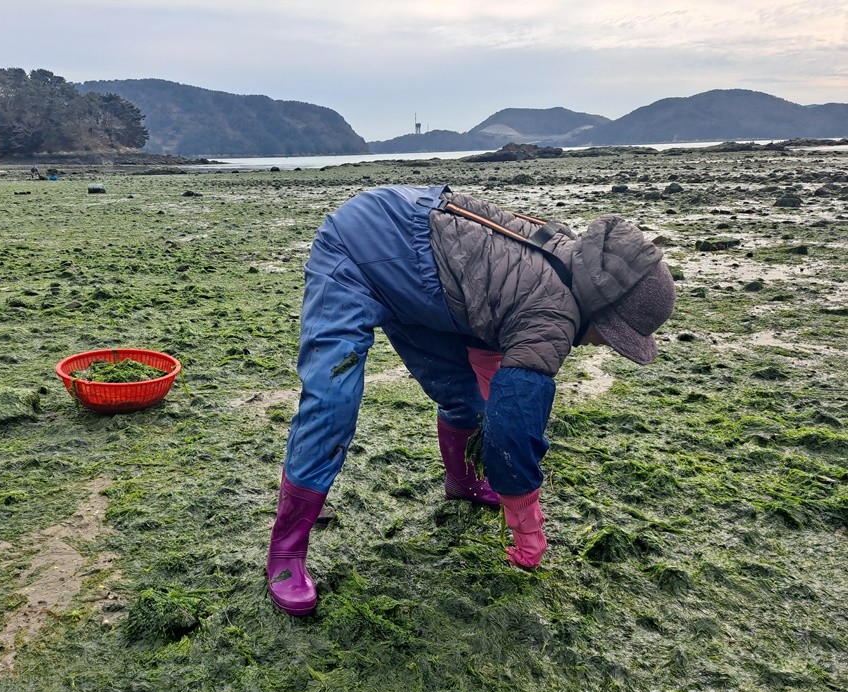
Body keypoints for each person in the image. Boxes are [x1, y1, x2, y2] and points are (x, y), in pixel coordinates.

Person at [266, 185, 676, 616]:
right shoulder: (553, 314)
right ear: (603, 311)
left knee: (462, 396)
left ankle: (461, 482)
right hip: (356, 250)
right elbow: (512, 430)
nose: (600, 346)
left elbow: (488, 332)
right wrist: (526, 524)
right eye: (611, 337)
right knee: (333, 403)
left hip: (423, 273)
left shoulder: (569, 258)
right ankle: (285, 554)